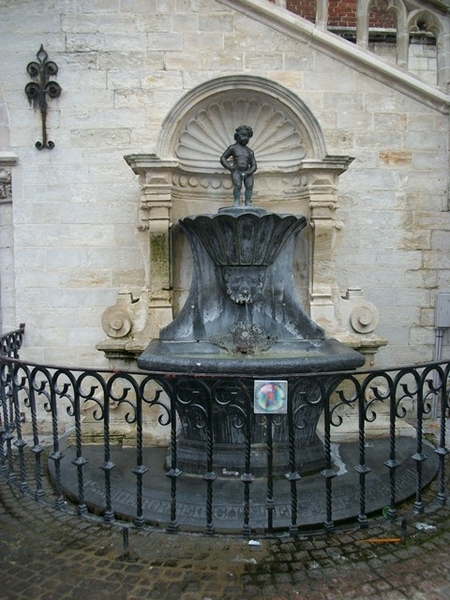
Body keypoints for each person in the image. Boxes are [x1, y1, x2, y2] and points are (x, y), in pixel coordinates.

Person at [220, 125, 257, 206]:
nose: (246, 138)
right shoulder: (233, 148)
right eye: (243, 135)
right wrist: (229, 167)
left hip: (247, 171)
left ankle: (248, 201)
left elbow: (254, 165)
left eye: (248, 136)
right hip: (236, 170)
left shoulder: (249, 151)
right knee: (238, 185)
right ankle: (236, 200)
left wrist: (249, 172)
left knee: (249, 186)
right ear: (237, 136)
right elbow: (223, 158)